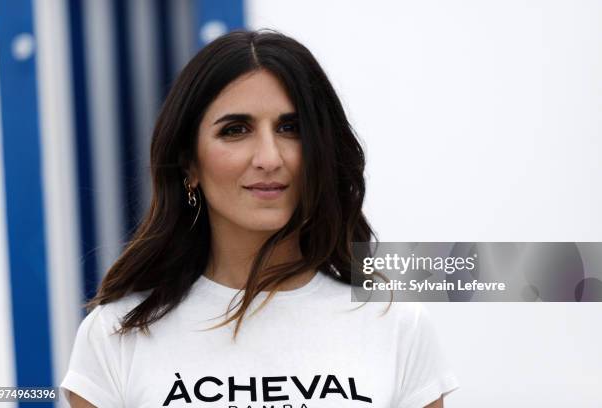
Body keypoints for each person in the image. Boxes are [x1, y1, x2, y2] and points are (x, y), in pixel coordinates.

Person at [60, 29, 459, 408]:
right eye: (235, 130)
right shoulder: (116, 334)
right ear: (189, 165)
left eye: (291, 128)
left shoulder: (394, 324)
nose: (269, 158)